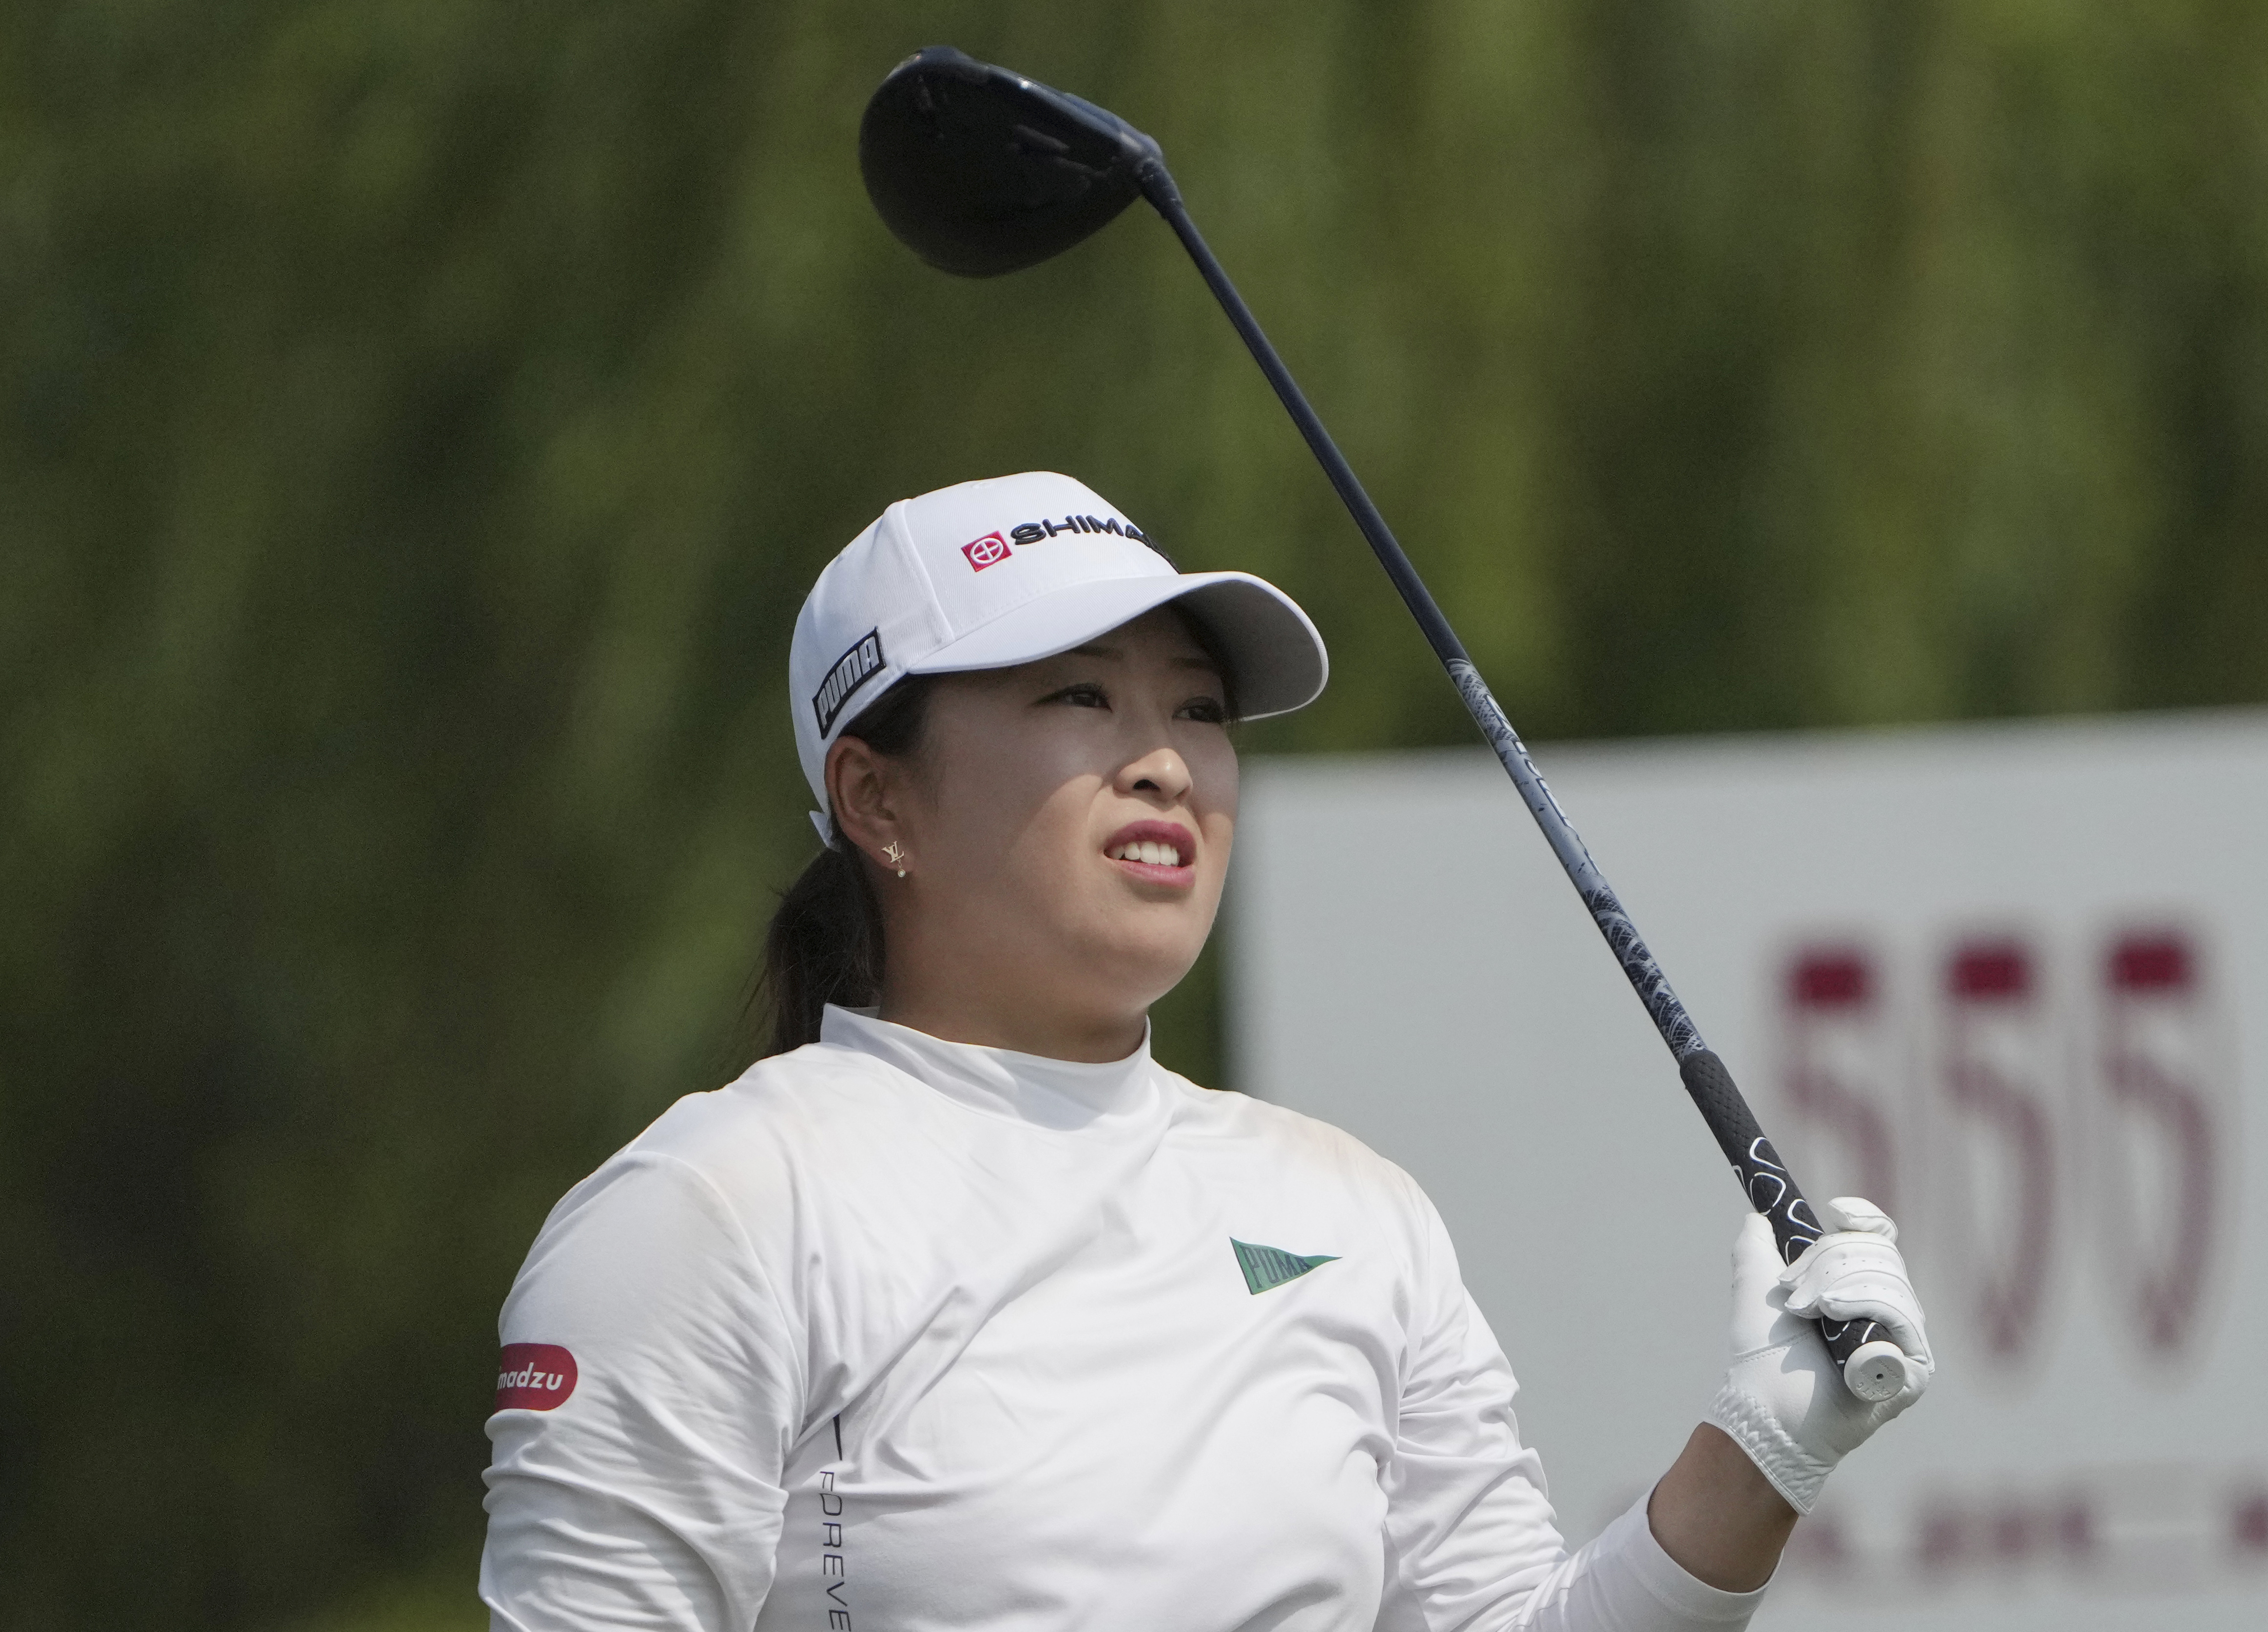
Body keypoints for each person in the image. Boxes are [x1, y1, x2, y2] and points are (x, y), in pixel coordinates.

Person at [478, 471, 1933, 1631]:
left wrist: (1764, 1451)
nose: (1167, 762)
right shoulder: (711, 1212)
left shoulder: (1349, 1209)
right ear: (878, 799)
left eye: (1197, 709)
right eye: (1078, 697)